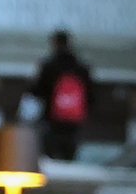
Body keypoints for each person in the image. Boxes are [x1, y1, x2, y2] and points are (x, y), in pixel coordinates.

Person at [29, 30, 93, 161]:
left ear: (54, 44)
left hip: (52, 119)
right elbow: (91, 95)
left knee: (51, 153)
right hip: (74, 120)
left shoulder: (49, 66)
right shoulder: (81, 68)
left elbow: (37, 91)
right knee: (69, 154)